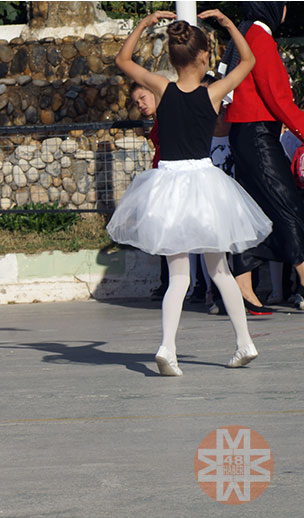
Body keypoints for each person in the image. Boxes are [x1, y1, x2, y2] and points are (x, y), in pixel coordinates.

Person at [107, 10, 272, 376]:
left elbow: (122, 60)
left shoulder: (161, 88)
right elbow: (248, 61)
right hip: (203, 185)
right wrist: (229, 25)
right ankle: (245, 341)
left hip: (168, 186)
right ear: (204, 57)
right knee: (221, 271)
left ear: (170, 58)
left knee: (179, 277)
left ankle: (168, 347)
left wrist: (144, 23)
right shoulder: (213, 92)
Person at [219, 2, 304, 313]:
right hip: (258, 135)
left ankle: (243, 293)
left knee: (252, 211)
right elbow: (277, 95)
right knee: (289, 207)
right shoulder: (260, 37)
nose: (285, 9)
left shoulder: (245, 32)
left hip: (245, 135)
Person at [130, 81, 168, 300]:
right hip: (159, 173)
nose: (141, 105)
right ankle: (167, 281)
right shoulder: (158, 119)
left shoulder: (167, 117)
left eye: (143, 98)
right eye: (137, 102)